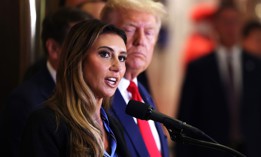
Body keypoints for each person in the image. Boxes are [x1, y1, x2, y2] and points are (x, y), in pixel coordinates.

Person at [21, 19, 129, 157]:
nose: (117, 67)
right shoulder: (46, 124)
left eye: (122, 58)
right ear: (78, 59)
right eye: (105, 54)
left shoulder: (113, 125)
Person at [0, 8, 92, 156]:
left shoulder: (95, 91)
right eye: (80, 45)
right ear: (54, 49)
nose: (90, 54)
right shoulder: (25, 101)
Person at [177, 3, 261, 157]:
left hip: (251, 149)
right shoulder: (198, 68)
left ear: (241, 25)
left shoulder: (256, 65)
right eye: (225, 22)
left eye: (235, 22)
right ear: (215, 26)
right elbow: (186, 115)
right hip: (211, 150)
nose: (231, 28)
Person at [100, 0, 169, 157]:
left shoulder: (143, 92)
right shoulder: (97, 98)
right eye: (129, 30)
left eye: (149, 32)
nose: (141, 40)